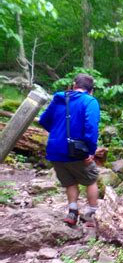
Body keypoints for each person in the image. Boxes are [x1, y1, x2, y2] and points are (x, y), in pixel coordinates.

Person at [39, 73, 100, 227]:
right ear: (91, 90)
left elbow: (44, 120)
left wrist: (57, 134)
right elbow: (91, 128)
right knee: (91, 180)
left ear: (74, 86)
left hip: (55, 150)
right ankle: (92, 215)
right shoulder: (90, 101)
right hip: (77, 152)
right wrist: (90, 151)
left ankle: (72, 212)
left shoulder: (59, 99)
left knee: (69, 182)